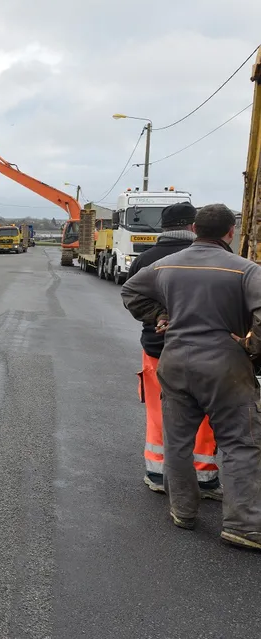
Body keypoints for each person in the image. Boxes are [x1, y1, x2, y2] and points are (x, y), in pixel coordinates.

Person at [121, 203, 261, 550]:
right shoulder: (246, 270)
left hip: (175, 360)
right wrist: (251, 347)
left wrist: (160, 317)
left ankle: (183, 511)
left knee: (178, 441)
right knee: (240, 445)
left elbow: (130, 292)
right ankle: (243, 527)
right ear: (231, 232)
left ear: (195, 228)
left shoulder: (165, 265)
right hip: (225, 367)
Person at [125, 202, 221, 499]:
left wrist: (160, 317)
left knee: (159, 411)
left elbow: (131, 296)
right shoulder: (220, 257)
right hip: (208, 350)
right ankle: (203, 476)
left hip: (158, 350)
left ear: (163, 228)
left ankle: (157, 472)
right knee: (205, 415)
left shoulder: (147, 260)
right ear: (194, 226)